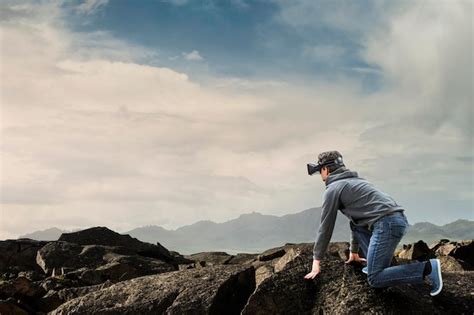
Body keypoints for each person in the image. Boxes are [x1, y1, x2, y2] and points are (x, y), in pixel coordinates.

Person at [303, 150, 443, 297]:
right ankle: (374, 263)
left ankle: (428, 268)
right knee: (357, 227)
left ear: (325, 169)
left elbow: (325, 228)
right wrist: (354, 252)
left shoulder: (333, 188)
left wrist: (316, 261)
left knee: (375, 278)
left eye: (320, 171)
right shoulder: (357, 181)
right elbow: (356, 223)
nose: (321, 176)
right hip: (395, 220)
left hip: (386, 224)